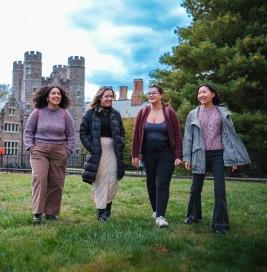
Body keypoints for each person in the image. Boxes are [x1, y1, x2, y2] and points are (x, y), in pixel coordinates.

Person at [183, 84, 250, 234]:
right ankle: (193, 215)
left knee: (220, 190)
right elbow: (188, 137)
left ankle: (220, 224)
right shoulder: (193, 114)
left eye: (204, 92)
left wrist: (232, 159)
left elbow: (230, 137)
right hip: (199, 153)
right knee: (195, 189)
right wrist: (187, 157)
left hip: (218, 155)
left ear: (212, 94)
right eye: (199, 93)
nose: (201, 95)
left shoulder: (223, 113)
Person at [131, 85, 183, 228]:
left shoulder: (169, 112)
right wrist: (135, 154)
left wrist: (178, 155)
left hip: (166, 154)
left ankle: (161, 216)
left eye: (154, 93)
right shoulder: (142, 112)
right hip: (148, 154)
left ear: (161, 95)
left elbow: (178, 136)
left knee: (162, 183)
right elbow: (136, 135)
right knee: (151, 183)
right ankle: (155, 210)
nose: (151, 95)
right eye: (149, 93)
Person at [24, 85, 75, 224]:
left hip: (59, 151)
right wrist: (30, 147)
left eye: (59, 94)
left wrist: (67, 150)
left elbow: (71, 135)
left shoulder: (65, 114)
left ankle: (51, 213)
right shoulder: (37, 112)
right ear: (47, 97)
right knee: (39, 179)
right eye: (53, 93)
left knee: (57, 182)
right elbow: (28, 132)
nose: (57, 96)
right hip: (39, 150)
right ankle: (37, 213)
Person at [80, 86, 126, 222]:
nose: (109, 99)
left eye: (111, 96)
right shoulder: (90, 113)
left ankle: (107, 209)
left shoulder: (116, 114)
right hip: (97, 152)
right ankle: (101, 213)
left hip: (113, 151)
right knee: (100, 180)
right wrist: (91, 147)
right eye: (107, 96)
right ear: (100, 97)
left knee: (112, 180)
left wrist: (120, 143)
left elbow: (122, 132)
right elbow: (83, 132)